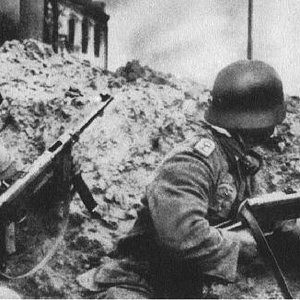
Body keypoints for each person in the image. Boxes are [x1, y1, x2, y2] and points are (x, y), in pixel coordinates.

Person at [78, 60, 297, 298]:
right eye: (269, 124)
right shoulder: (193, 162)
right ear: (253, 123)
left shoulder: (240, 163)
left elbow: (267, 221)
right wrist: (242, 244)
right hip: (139, 281)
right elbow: (182, 235)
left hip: (185, 287)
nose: (272, 132)